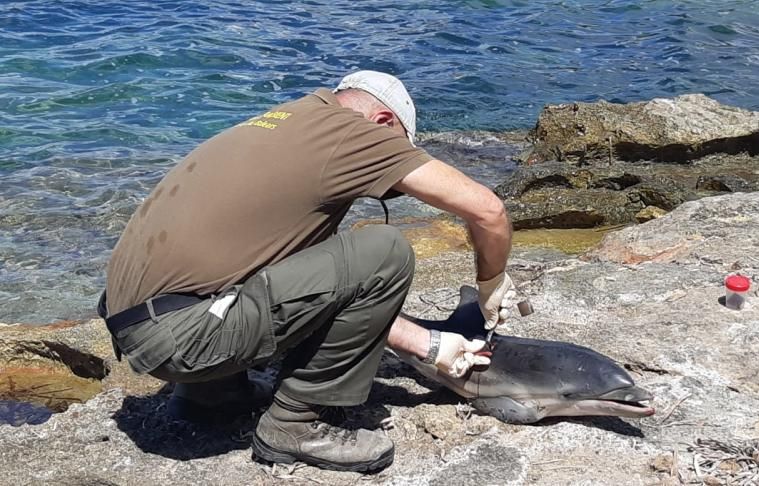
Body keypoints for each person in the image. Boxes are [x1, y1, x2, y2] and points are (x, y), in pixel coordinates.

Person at [99, 70, 519, 473]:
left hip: (136, 323)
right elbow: (488, 210)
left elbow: (299, 282)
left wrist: (427, 345)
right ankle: (293, 425)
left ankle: (211, 395)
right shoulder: (356, 134)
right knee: (384, 250)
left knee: (284, 260)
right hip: (180, 338)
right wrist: (491, 282)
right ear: (383, 122)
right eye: (398, 153)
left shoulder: (284, 123)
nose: (387, 184)